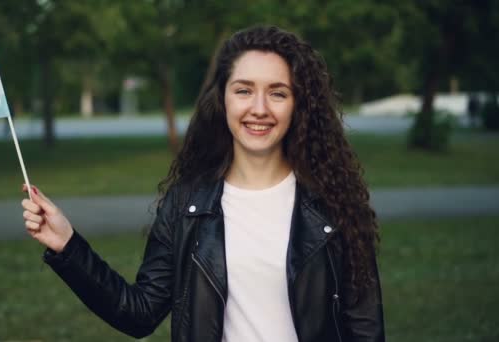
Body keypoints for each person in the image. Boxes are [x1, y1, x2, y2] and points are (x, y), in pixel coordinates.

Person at [21, 26, 385, 342]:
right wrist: (67, 245)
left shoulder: (334, 206)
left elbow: (366, 331)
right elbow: (138, 313)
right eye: (244, 90)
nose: (259, 108)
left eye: (277, 92)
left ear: (298, 105)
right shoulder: (186, 205)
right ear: (223, 99)